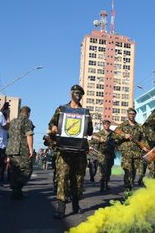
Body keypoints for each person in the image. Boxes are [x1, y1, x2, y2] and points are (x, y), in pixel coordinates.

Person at [49, 84, 93, 219]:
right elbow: (51, 123)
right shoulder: (62, 109)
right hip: (64, 151)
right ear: (71, 94)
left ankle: (75, 205)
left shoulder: (85, 112)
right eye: (76, 92)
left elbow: (90, 131)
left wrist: (85, 125)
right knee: (62, 177)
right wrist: (54, 127)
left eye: (80, 93)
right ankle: (61, 209)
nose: (78, 95)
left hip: (79, 151)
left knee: (78, 179)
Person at [114, 108, 148, 192]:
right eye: (130, 114)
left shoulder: (139, 126)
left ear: (135, 115)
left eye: (133, 114)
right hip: (126, 153)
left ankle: (130, 185)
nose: (131, 115)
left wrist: (144, 147)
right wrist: (123, 135)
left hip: (136, 153)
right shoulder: (122, 125)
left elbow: (143, 139)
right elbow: (114, 136)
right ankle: (127, 189)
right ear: (127, 115)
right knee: (127, 171)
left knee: (133, 171)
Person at [5, 106, 34, 200]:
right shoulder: (27, 121)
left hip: (11, 149)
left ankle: (15, 191)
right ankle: (18, 189)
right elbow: (29, 135)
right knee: (27, 170)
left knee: (14, 170)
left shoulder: (13, 122)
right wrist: (30, 149)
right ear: (28, 113)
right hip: (21, 150)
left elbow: (8, 134)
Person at [90, 119, 116, 191]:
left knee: (108, 170)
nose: (106, 125)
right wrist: (98, 139)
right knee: (102, 170)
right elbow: (92, 139)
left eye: (107, 124)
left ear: (109, 125)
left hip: (110, 154)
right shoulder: (99, 133)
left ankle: (106, 184)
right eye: (105, 124)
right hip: (102, 154)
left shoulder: (113, 133)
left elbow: (117, 141)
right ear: (103, 125)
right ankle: (102, 185)